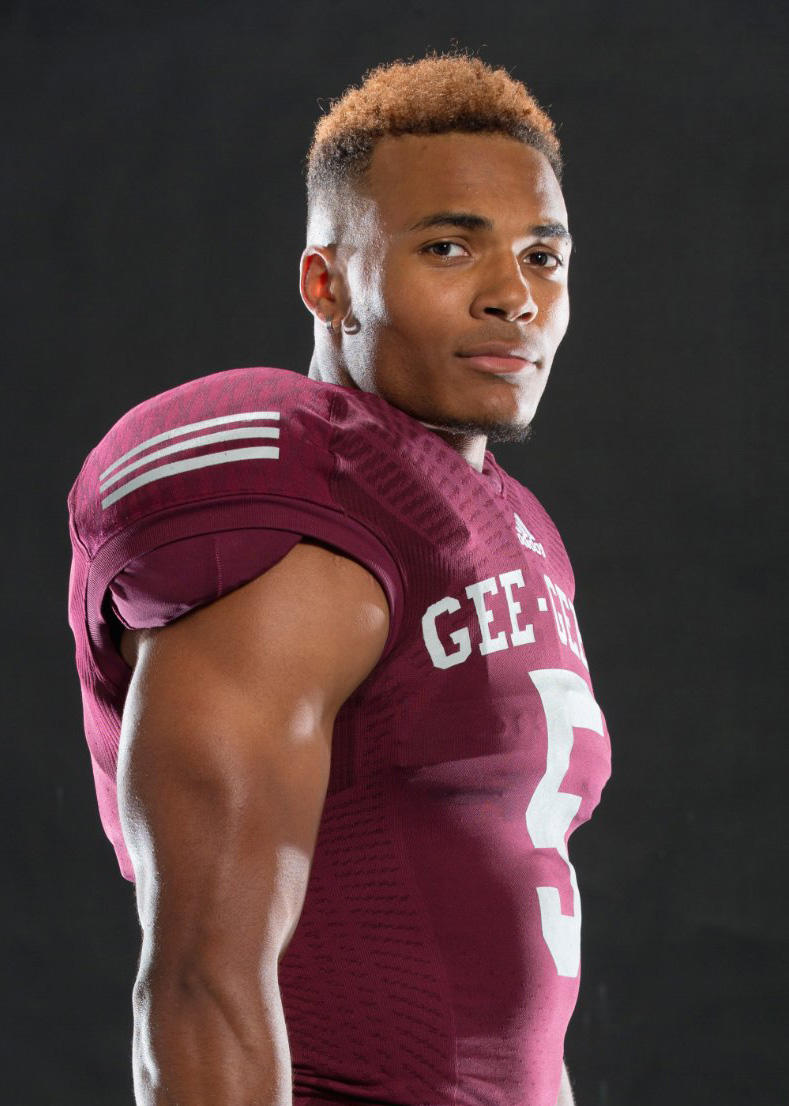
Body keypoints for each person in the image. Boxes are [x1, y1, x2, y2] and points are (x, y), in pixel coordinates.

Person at [67, 51, 611, 1106]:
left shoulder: (517, 527)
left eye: (544, 257)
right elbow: (200, 979)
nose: (514, 295)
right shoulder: (308, 509)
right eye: (450, 246)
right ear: (328, 282)